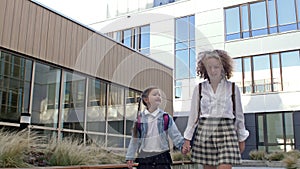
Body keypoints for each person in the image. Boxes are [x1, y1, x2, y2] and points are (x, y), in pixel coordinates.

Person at [182, 49, 249, 169]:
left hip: (227, 132)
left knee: (225, 167)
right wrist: (187, 139)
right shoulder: (200, 89)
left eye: (216, 67)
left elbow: (239, 116)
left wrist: (241, 138)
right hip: (205, 131)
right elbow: (193, 117)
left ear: (223, 67)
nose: (213, 70)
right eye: (209, 67)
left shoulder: (233, 88)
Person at [126, 86, 185, 169]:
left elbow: (175, 135)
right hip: (145, 157)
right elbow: (134, 140)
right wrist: (130, 157)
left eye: (159, 95)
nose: (158, 96)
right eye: (154, 94)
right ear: (146, 99)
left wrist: (183, 146)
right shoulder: (139, 119)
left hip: (162, 157)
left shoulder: (166, 117)